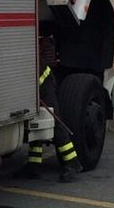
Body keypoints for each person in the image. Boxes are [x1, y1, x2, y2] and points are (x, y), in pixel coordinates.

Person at [26, 34, 82, 183]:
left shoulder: (30, 54)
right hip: (37, 88)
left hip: (45, 87)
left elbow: (36, 75)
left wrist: (35, 92)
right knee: (35, 125)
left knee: (55, 123)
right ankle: (34, 166)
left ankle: (72, 163)